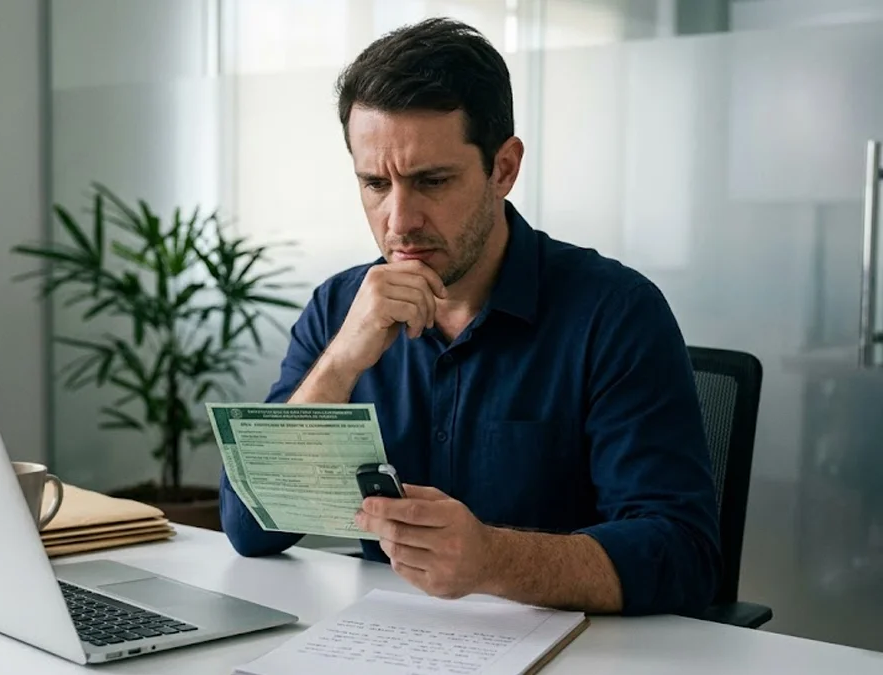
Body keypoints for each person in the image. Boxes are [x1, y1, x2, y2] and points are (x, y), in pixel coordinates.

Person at [218, 17, 721, 617]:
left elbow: (683, 554)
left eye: (432, 181)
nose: (400, 221)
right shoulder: (339, 308)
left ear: (503, 168)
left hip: (579, 649)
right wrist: (340, 362)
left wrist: (493, 560)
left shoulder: (616, 313)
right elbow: (250, 531)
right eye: (375, 184)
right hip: (388, 640)